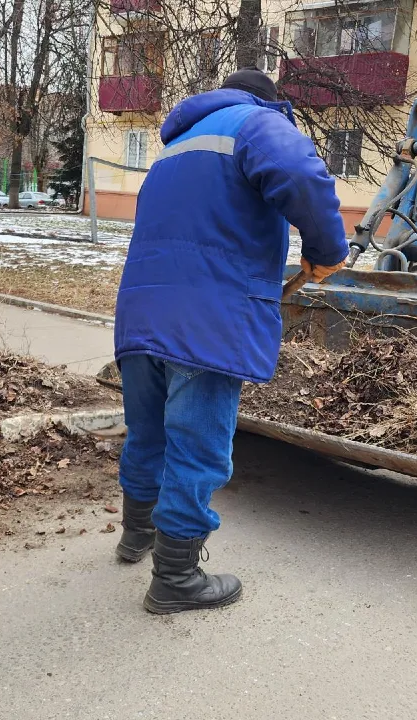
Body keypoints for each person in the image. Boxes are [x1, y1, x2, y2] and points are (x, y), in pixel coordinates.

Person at [113, 67, 349, 614]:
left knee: (148, 434)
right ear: (270, 103)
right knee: (197, 445)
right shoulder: (256, 124)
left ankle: (135, 537)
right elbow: (301, 174)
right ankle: (176, 578)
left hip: (142, 312)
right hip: (206, 318)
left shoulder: (176, 146)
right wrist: (327, 248)